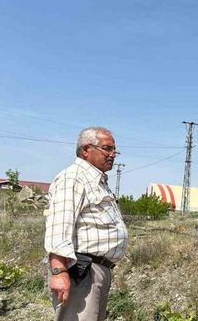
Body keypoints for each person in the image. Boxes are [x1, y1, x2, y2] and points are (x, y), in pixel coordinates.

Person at [44, 126, 128, 321]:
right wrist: (59, 271)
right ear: (85, 150)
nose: (113, 155)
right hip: (80, 272)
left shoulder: (97, 181)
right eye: (107, 148)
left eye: (114, 150)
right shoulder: (73, 178)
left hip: (96, 271)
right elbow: (59, 225)